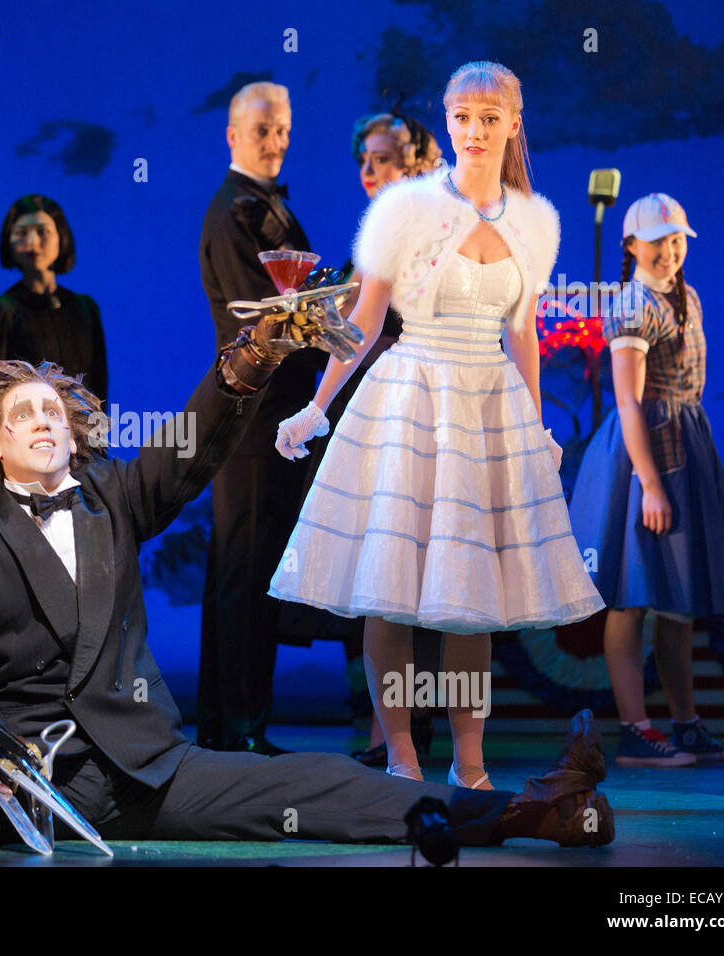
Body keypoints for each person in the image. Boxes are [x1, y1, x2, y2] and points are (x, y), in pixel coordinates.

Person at [0, 307, 613, 855]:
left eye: (54, 414)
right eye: (22, 415)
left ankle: (532, 814)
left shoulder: (114, 499)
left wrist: (248, 362)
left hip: (148, 768)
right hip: (27, 779)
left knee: (315, 787)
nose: (42, 423)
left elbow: (194, 448)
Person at [271, 62, 605, 787]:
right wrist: (316, 405)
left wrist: (538, 427)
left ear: (513, 122)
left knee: (468, 597)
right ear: (447, 122)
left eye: (490, 117)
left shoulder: (534, 220)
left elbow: (523, 335)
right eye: (462, 116)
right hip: (411, 393)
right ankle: (399, 755)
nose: (475, 130)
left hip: (486, 407)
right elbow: (362, 322)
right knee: (390, 585)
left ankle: (472, 762)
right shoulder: (407, 209)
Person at [277, 112, 444, 767]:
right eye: (363, 160)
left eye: (384, 156)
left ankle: (407, 738)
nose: (370, 171)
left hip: (420, 410)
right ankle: (393, 735)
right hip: (378, 412)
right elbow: (353, 327)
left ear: (422, 157)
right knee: (383, 574)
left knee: (417, 578)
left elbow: (372, 327)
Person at [567, 193, 724, 767]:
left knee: (676, 597)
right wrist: (649, 484)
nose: (670, 251)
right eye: (658, 241)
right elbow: (628, 400)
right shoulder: (632, 306)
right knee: (630, 595)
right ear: (632, 247)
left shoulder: (687, 297)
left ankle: (686, 722)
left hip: (686, 444)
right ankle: (634, 729)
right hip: (640, 452)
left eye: (677, 240)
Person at [196, 80, 321, 754]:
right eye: (264, 129)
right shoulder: (235, 212)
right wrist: (333, 321)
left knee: (249, 569)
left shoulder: (262, 206)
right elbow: (265, 321)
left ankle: (230, 726)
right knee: (246, 570)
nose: (276, 142)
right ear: (233, 135)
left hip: (267, 417)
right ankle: (237, 729)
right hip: (253, 419)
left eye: (284, 129)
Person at [0, 194, 107, 403]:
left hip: (82, 429)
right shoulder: (0, 309)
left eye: (42, 232)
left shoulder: (85, 308)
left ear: (61, 236)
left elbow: (99, 384)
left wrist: (98, 431)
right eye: (21, 233)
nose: (32, 243)